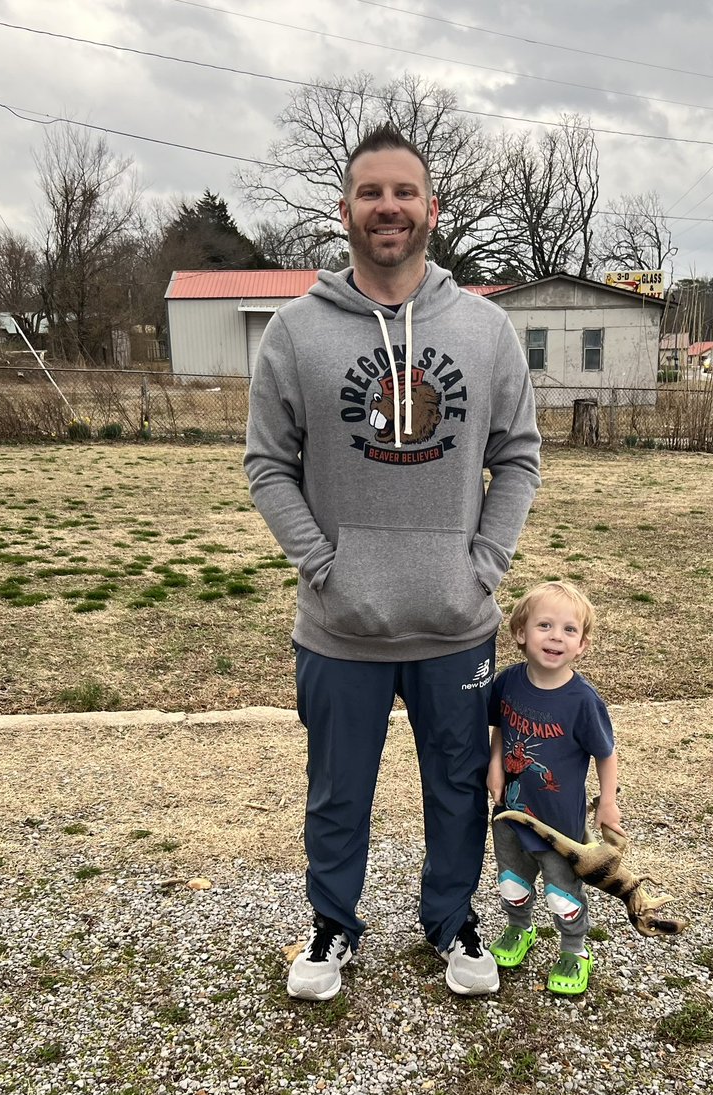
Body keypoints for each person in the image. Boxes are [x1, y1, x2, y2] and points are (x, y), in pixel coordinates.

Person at [244, 124, 541, 1002]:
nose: (388, 208)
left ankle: (452, 923)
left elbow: (518, 456)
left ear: (430, 210)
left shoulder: (484, 330)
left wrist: (482, 564)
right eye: (371, 193)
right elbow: (267, 462)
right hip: (340, 627)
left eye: (403, 193)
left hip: (455, 624)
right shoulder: (297, 332)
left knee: (457, 792)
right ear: (344, 211)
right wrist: (321, 564)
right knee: (338, 796)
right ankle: (333, 924)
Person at [486, 581, 621, 996]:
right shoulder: (507, 682)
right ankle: (519, 930)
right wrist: (494, 764)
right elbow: (498, 728)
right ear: (520, 633)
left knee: (563, 893)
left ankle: (575, 949)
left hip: (560, 825)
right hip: (510, 814)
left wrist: (608, 803)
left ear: (582, 645)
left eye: (568, 630)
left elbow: (606, 752)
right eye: (545, 625)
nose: (555, 637)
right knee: (512, 881)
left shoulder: (582, 700)